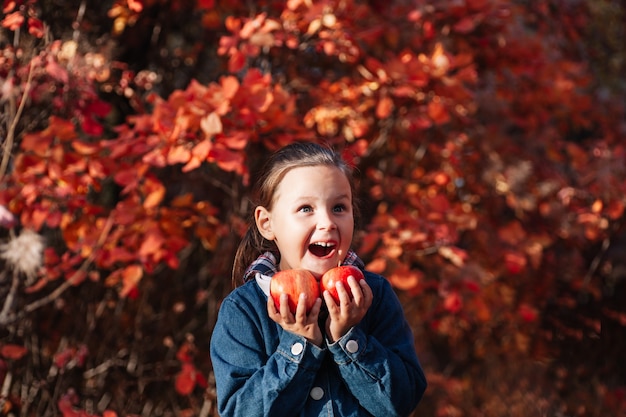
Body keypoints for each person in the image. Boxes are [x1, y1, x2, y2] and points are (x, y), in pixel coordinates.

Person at [210, 142, 427, 416]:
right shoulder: (244, 310)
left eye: (339, 207)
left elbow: (401, 402)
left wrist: (349, 338)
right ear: (268, 224)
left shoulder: (374, 295)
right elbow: (241, 412)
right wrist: (299, 345)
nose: (327, 222)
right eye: (305, 209)